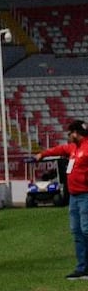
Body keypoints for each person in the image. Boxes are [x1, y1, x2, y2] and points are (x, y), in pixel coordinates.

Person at [35, 120, 88, 280]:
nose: (69, 136)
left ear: (76, 133)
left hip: (86, 195)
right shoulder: (73, 148)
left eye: (70, 133)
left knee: (86, 231)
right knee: (77, 232)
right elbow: (58, 149)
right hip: (74, 196)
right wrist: (43, 154)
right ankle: (82, 268)